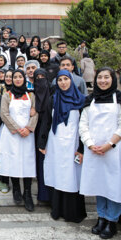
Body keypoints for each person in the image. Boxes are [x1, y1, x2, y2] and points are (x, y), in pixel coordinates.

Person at [38, 70, 86, 223]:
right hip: (55, 144)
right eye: (60, 80)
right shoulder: (53, 99)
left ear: (72, 81)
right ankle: (57, 209)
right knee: (58, 175)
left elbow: (85, 125)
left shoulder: (81, 101)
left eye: (66, 79)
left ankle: (72, 212)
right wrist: (42, 143)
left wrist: (82, 149)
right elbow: (46, 122)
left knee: (72, 177)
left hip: (74, 145)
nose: (63, 82)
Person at [79, 67, 121, 239]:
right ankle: (101, 217)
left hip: (114, 150)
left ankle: (112, 220)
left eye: (107, 77)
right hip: (94, 150)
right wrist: (90, 145)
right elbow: (83, 125)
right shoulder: (90, 100)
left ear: (113, 79)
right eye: (100, 78)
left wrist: (109, 144)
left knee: (113, 185)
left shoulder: (118, 99)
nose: (103, 81)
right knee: (98, 184)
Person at [0, 70, 38, 212]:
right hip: (11, 134)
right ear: (12, 80)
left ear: (24, 78)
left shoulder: (31, 95)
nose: (18, 79)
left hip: (27, 134)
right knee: (13, 161)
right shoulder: (7, 95)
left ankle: (27, 192)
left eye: (20, 77)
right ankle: (16, 189)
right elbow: (4, 114)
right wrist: (17, 129)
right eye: (15, 77)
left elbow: (35, 112)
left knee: (27, 162)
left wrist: (28, 128)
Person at [33, 68, 52, 203]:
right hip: (36, 130)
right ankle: (43, 195)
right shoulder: (32, 93)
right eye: (37, 77)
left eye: (42, 76)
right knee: (40, 162)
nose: (40, 79)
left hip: (51, 130)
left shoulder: (53, 92)